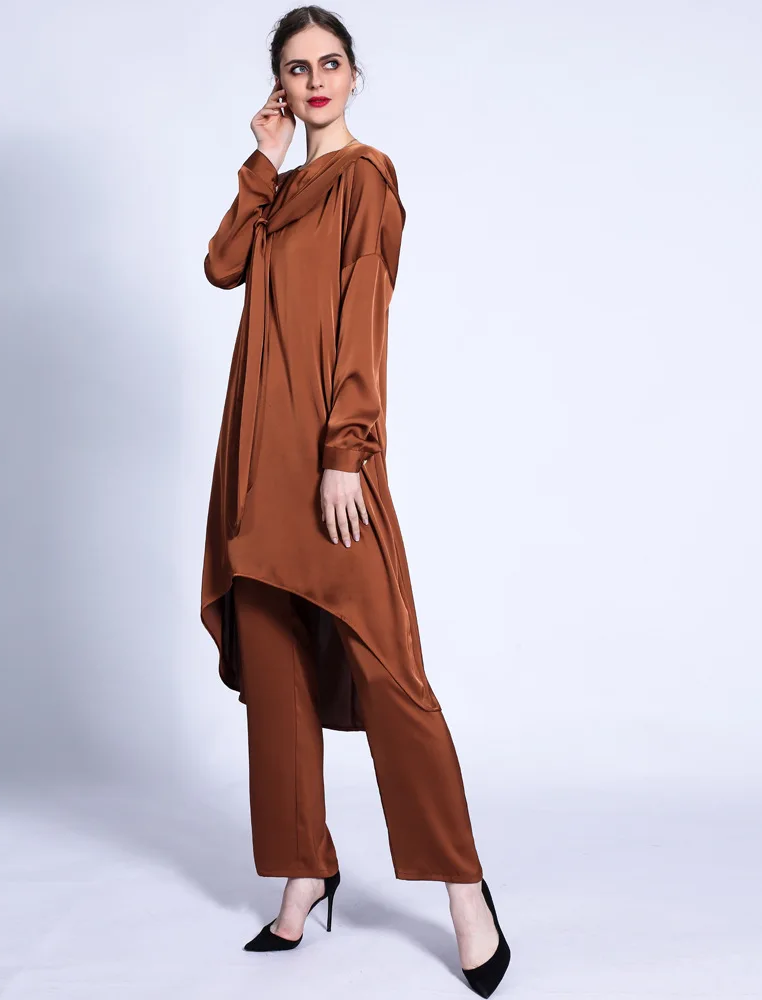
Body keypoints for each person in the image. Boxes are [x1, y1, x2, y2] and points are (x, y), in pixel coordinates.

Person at [199, 7, 511, 995]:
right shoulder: (279, 189)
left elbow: (362, 318)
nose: (315, 80)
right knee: (277, 676)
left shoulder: (366, 179)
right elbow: (221, 266)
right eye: (297, 69)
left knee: (389, 672)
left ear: (354, 75)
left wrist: (348, 452)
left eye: (329, 63)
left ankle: (463, 888)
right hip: (256, 466)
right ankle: (304, 869)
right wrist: (261, 161)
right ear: (279, 87)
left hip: (329, 462)